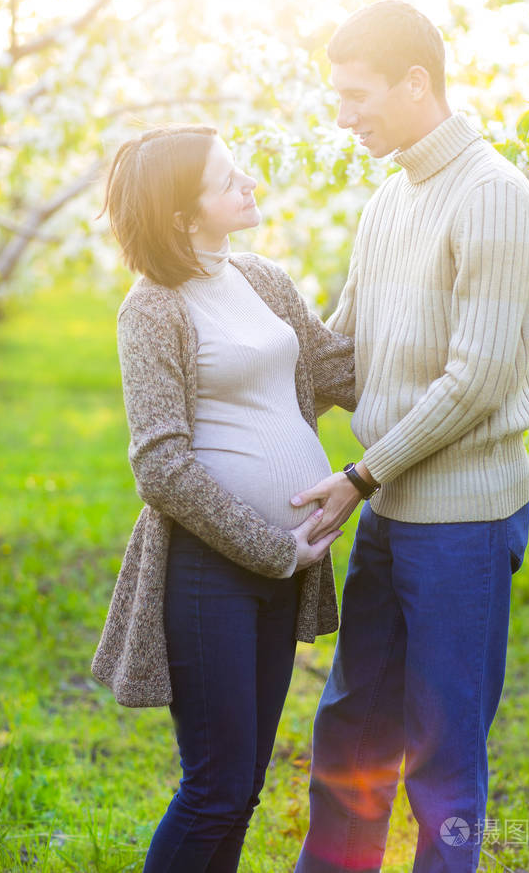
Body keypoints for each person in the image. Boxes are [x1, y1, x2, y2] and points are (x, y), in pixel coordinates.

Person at [292, 1, 529, 873]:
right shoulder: (389, 199)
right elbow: (346, 347)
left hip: (463, 523)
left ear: (415, 83)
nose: (342, 116)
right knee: (352, 725)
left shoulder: (494, 197)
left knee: (442, 748)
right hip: (392, 507)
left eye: (356, 96)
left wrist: (361, 475)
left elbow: (478, 379)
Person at [91, 124, 355, 873]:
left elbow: (340, 369)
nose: (250, 186)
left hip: (284, 568)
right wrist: (277, 547)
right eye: (226, 179)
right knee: (215, 785)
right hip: (211, 573)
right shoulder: (151, 311)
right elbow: (161, 465)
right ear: (181, 214)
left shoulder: (263, 279)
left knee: (242, 789)